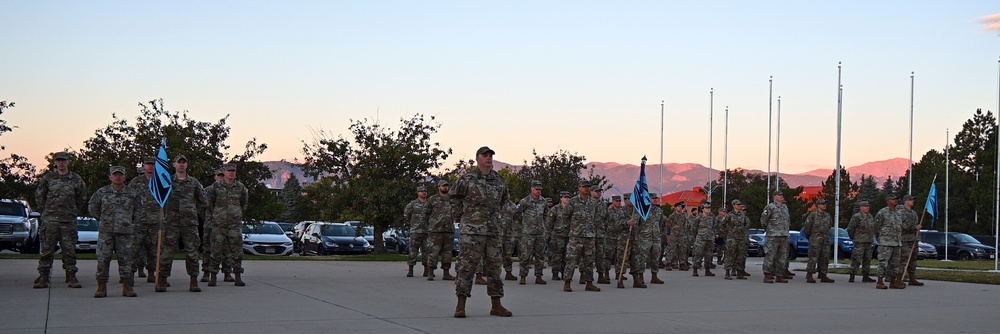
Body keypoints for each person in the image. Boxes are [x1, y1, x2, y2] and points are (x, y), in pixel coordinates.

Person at [449, 146, 512, 318]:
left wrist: (499, 219)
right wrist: (460, 216)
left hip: (493, 231)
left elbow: (505, 200)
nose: (488, 158)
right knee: (466, 268)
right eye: (485, 155)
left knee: (494, 269)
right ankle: (460, 305)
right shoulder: (468, 179)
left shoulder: (499, 180)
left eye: (491, 156)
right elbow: (453, 196)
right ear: (477, 159)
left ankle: (496, 305)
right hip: (471, 232)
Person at [33, 151, 87, 289]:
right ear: (55, 162)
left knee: (69, 250)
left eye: (64, 160)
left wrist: (73, 211)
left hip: (68, 220)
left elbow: (81, 197)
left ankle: (71, 276)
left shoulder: (76, 179)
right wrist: (45, 212)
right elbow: (40, 196)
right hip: (50, 220)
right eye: (58, 161)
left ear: (68, 162)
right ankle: (43, 276)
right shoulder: (48, 178)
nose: (61, 163)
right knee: (47, 250)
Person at [156, 155, 207, 293]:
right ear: (174, 165)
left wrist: (197, 213)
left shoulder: (194, 182)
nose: (181, 165)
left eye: (184, 163)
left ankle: (193, 280)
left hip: (189, 223)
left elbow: (203, 200)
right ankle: (162, 279)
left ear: (187, 165)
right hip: (171, 222)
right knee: (167, 252)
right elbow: (158, 198)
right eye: (179, 163)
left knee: (192, 253)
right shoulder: (167, 181)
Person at [88, 166, 140, 297]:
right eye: (115, 175)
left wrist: (129, 221)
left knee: (126, 260)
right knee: (103, 259)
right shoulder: (102, 192)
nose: (118, 177)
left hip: (125, 232)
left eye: (120, 175)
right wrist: (103, 219)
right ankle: (101, 287)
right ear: (110, 177)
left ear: (124, 177)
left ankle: (127, 287)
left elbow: (139, 210)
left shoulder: (132, 193)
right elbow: (92, 206)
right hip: (106, 232)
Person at [207, 163, 248, 287]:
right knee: (216, 249)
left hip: (234, 223)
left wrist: (237, 214)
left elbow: (244, 203)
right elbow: (209, 202)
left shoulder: (240, 187)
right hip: (219, 223)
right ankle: (213, 276)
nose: (231, 173)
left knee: (236, 250)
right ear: (224, 172)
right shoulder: (216, 186)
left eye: (233, 171)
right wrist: (215, 215)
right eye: (229, 171)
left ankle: (238, 276)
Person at [561, 180, 600, 292]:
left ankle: (589, 283)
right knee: (571, 260)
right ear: (579, 188)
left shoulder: (593, 202)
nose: (586, 189)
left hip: (589, 236)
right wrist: (572, 228)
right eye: (584, 187)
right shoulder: (573, 201)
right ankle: (567, 282)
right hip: (576, 236)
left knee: (589, 261)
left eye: (588, 187)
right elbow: (565, 216)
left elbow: (596, 218)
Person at [129, 157, 161, 283]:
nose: (150, 167)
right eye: (148, 164)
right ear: (143, 166)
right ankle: (129, 275)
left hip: (155, 221)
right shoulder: (136, 182)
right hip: (138, 221)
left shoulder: (160, 182)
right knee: (134, 249)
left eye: (153, 164)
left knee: (153, 250)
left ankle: (152, 273)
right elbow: (129, 198)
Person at [516, 180, 548, 285]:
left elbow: (546, 215)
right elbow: (517, 214)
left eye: (540, 189)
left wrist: (544, 227)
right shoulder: (525, 201)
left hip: (540, 233)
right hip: (528, 233)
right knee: (525, 255)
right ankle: (523, 276)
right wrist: (523, 226)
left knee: (540, 255)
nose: (538, 191)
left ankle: (539, 276)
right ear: (532, 189)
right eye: (536, 189)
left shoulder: (543, 201)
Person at [425, 180, 455, 281]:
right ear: (439, 187)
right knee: (433, 251)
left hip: (449, 229)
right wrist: (431, 224)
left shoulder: (451, 199)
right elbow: (426, 213)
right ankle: (430, 272)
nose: (445, 187)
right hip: (435, 230)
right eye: (443, 186)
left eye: (447, 186)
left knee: (447, 253)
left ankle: (446, 273)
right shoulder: (433, 199)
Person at [874, 195, 905, 289]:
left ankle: (893, 282)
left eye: (896, 199)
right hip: (885, 242)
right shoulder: (882, 212)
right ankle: (880, 282)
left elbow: (901, 226)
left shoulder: (899, 213)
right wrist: (881, 238)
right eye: (893, 199)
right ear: (888, 201)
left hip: (897, 242)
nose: (896, 201)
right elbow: (876, 227)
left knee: (895, 264)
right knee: (883, 263)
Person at [200, 169, 225, 283]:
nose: (220, 178)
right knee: (208, 247)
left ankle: (227, 272)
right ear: (215, 177)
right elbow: (201, 205)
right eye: (218, 176)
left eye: (222, 176)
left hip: (225, 223)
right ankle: (206, 272)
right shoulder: (208, 190)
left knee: (226, 249)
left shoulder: (230, 190)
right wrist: (206, 217)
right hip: (210, 223)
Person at [761, 190, 790, 283]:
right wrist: (769, 230)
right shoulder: (770, 207)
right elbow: (763, 220)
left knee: (782, 256)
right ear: (775, 196)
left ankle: (780, 275)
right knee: (770, 255)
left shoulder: (785, 207)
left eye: (782, 195)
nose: (782, 196)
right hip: (773, 235)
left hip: (784, 235)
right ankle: (767, 274)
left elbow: (788, 220)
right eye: (779, 195)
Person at [804, 199, 834, 283]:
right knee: (813, 257)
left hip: (825, 239)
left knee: (825, 257)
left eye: (825, 204)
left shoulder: (827, 215)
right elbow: (807, 228)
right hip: (815, 239)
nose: (825, 205)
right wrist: (811, 237)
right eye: (823, 204)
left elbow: (829, 226)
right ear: (818, 205)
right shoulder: (813, 215)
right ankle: (809, 274)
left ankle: (823, 275)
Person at [403, 186, 430, 278]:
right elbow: (406, 214)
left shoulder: (430, 203)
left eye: (425, 191)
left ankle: (426, 270)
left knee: (427, 251)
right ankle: (410, 270)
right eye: (421, 191)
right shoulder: (413, 204)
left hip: (427, 231)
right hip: (416, 231)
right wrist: (411, 224)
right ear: (418, 193)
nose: (423, 193)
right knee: (413, 251)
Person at [846, 200, 876, 283]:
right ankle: (852, 275)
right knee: (857, 258)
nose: (867, 208)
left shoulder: (870, 216)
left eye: (868, 206)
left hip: (868, 241)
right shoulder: (857, 216)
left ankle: (866, 276)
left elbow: (873, 228)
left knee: (867, 259)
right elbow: (850, 228)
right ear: (861, 207)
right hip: (859, 241)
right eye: (865, 206)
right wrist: (853, 237)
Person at [546, 191, 571, 281]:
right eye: (565, 197)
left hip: (568, 235)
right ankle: (555, 273)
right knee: (557, 255)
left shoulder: (571, 209)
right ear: (561, 198)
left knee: (567, 255)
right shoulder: (555, 209)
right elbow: (549, 223)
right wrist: (550, 233)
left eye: (568, 197)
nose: (567, 199)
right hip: (557, 235)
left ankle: (565, 273)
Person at [723, 200, 751, 280]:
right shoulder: (729, 215)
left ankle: (739, 273)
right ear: (733, 205)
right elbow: (722, 224)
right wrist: (727, 233)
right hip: (732, 238)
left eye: (740, 204)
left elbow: (746, 225)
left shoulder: (742, 215)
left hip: (741, 238)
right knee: (730, 255)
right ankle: (727, 272)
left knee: (740, 256)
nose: (739, 206)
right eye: (737, 204)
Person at [899, 195, 924, 286]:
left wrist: (917, 231)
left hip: (913, 240)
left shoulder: (913, 213)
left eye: (913, 200)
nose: (912, 201)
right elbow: (902, 226)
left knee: (913, 260)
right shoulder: (901, 213)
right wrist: (914, 228)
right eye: (910, 200)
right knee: (904, 259)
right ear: (905, 201)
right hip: (905, 240)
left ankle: (912, 278)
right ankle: (900, 278)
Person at [644, 194, 667, 283]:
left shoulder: (659, 211)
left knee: (656, 257)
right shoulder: (643, 209)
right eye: (653, 198)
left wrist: (658, 232)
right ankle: (640, 277)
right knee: (642, 258)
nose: (655, 200)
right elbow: (637, 223)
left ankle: (654, 276)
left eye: (656, 198)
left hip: (656, 237)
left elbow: (661, 223)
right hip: (645, 237)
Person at [591, 185, 612, 284]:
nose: (598, 193)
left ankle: (600, 275)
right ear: (591, 192)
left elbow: (607, 219)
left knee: (600, 255)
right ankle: (584, 275)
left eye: (600, 191)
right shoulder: (587, 203)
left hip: (600, 234)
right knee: (587, 256)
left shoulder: (603, 205)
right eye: (596, 191)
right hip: (588, 234)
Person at [606, 195, 629, 282]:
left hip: (620, 237)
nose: (618, 203)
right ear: (613, 202)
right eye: (616, 201)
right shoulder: (609, 211)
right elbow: (616, 223)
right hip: (610, 236)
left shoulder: (622, 212)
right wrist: (626, 223)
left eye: (619, 201)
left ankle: (619, 274)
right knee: (608, 256)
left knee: (619, 256)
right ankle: (606, 273)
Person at [691, 203, 716, 277]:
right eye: (706, 208)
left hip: (709, 238)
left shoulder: (711, 218)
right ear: (702, 209)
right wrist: (697, 236)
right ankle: (695, 270)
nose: (708, 209)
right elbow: (694, 228)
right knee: (698, 254)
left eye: (709, 208)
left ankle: (707, 270)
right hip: (700, 239)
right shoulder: (698, 218)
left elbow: (713, 227)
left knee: (709, 255)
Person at [664, 202, 688, 270]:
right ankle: (668, 264)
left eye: (681, 207)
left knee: (682, 250)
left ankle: (682, 264)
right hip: (673, 235)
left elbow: (685, 226)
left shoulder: (683, 216)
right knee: (671, 250)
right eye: (678, 206)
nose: (680, 208)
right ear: (675, 208)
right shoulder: (672, 216)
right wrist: (667, 235)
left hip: (681, 235)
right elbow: (668, 226)